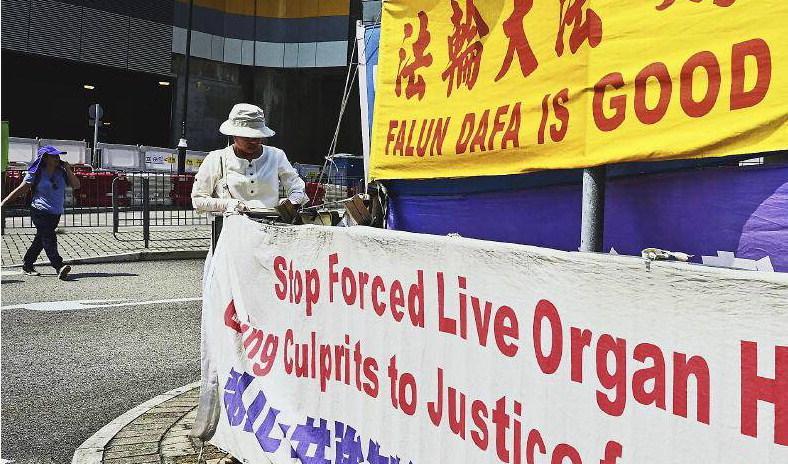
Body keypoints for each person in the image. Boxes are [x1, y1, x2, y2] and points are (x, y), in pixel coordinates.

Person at [191, 103, 308, 214]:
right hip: (231, 228)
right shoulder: (216, 159)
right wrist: (228, 204)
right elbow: (198, 199)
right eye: (248, 137)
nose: (254, 141)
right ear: (234, 135)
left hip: (270, 227)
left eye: (258, 136)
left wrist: (291, 203)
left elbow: (297, 188)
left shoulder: (276, 156)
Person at [0, 145, 81, 279]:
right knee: (49, 238)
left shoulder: (61, 172)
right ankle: (58, 266)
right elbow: (22, 188)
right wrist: (4, 201)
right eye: (53, 156)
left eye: (58, 156)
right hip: (39, 210)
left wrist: (68, 169)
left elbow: (76, 185)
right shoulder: (36, 172)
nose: (57, 158)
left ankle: (27, 265)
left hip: (55, 212)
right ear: (45, 158)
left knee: (41, 240)